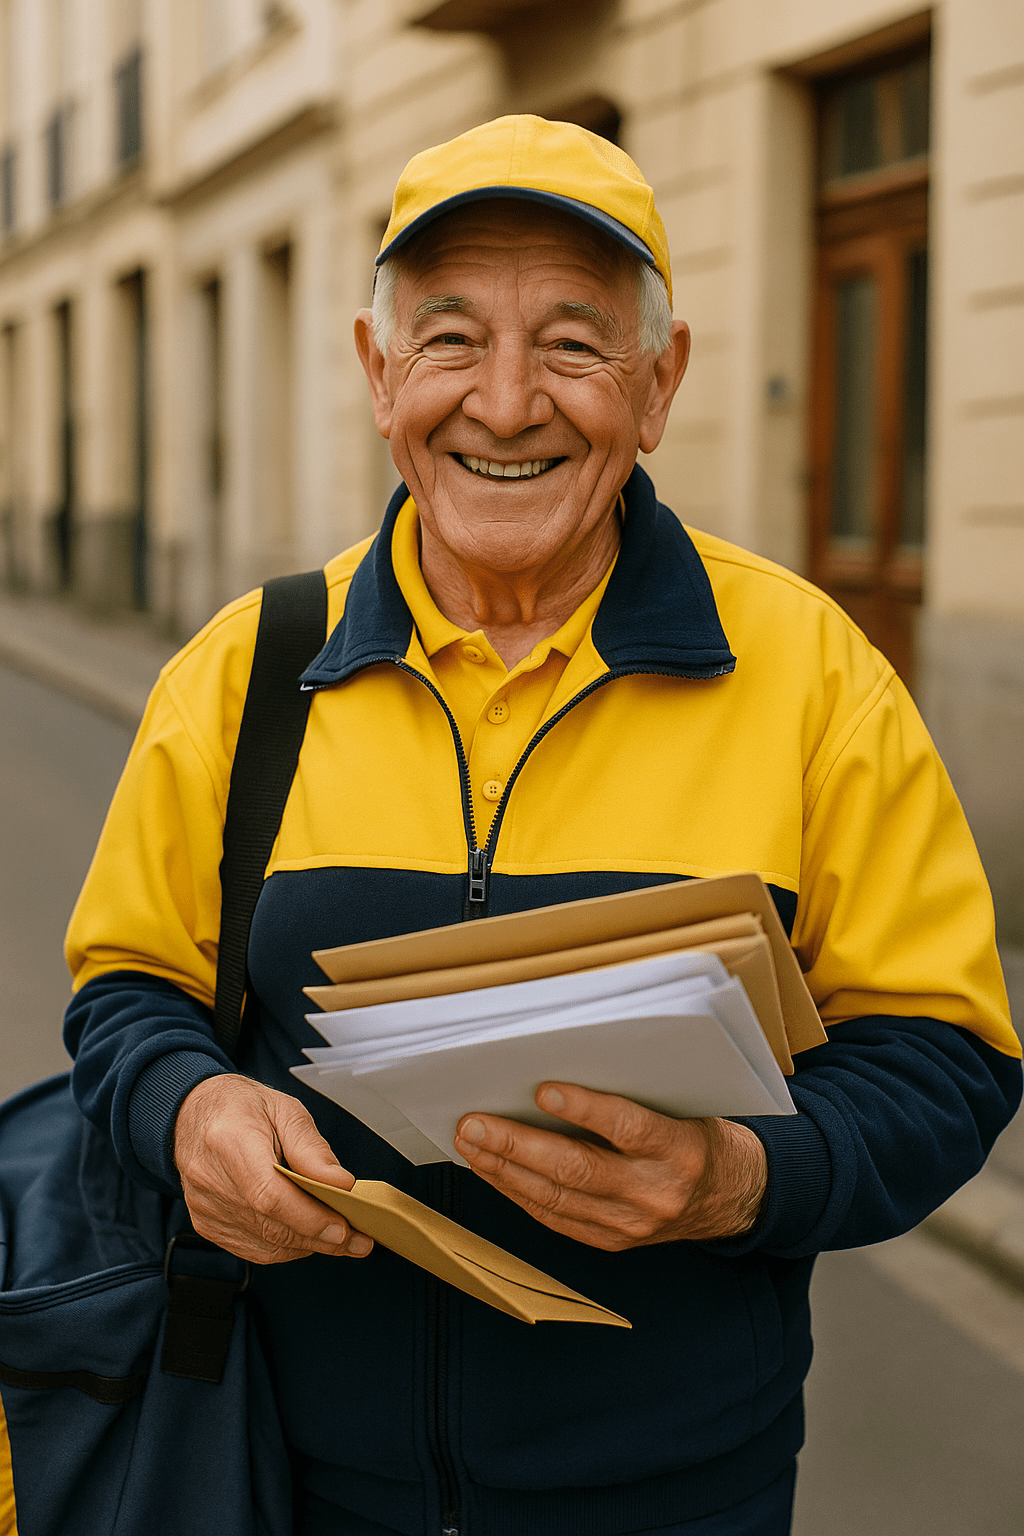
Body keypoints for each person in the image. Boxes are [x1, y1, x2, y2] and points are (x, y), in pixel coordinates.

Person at [62, 117, 1020, 1535]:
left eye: (573, 345)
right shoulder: (247, 670)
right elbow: (126, 995)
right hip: (283, 1477)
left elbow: (947, 1061)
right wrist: (186, 1107)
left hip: (679, 1494)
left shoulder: (815, 676)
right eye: (450, 340)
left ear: (660, 384)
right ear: (380, 377)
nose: (505, 405)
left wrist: (741, 1178)